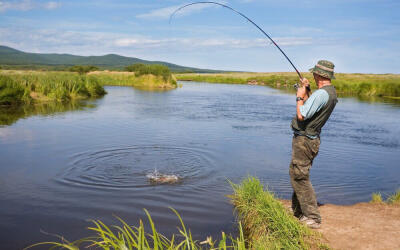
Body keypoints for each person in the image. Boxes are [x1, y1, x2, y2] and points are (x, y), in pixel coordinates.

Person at [289, 60, 338, 229]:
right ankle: (298, 210)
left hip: (305, 141)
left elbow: (302, 114)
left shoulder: (322, 94)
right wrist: (307, 90)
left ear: (319, 75)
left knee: (300, 176)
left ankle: (312, 217)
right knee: (297, 173)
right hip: (310, 140)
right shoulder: (329, 93)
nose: (312, 75)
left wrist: (299, 95)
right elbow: (312, 107)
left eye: (314, 73)